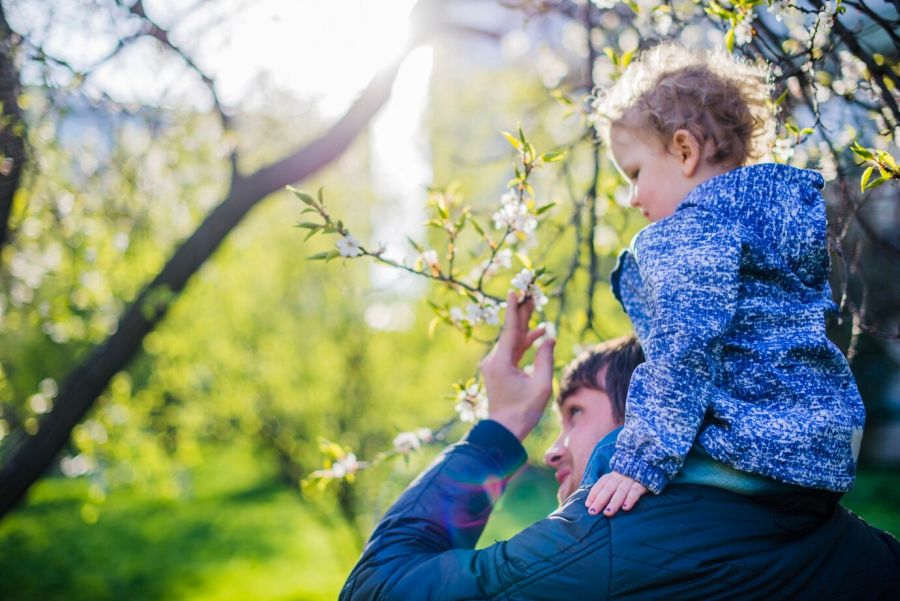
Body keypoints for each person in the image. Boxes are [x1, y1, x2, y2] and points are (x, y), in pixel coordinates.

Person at [339, 293, 900, 600]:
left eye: (575, 412)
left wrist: (502, 427)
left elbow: (375, 590)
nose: (552, 451)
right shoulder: (854, 541)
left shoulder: (606, 544)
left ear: (650, 417)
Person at [584, 44, 865, 517]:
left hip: (750, 451)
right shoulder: (773, 228)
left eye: (634, 173)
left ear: (684, 150)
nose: (633, 198)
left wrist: (640, 459)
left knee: (605, 460)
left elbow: (684, 345)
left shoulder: (692, 230)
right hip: (822, 457)